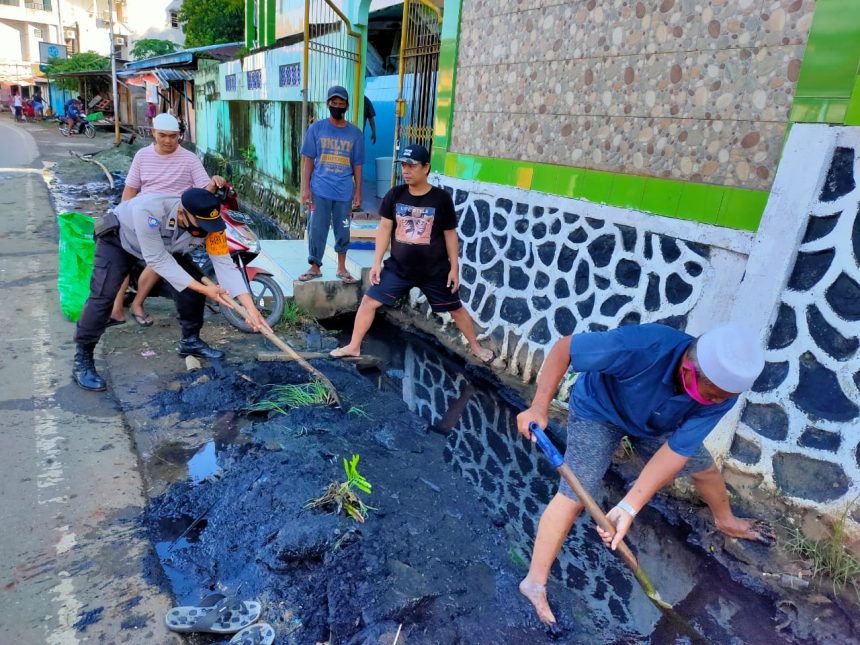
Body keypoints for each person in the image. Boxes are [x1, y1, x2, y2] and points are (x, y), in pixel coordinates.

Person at [514, 322, 774, 625]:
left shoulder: (723, 392)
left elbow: (677, 452)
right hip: (600, 411)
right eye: (713, 395)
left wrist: (628, 506)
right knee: (574, 496)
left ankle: (726, 521)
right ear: (689, 369)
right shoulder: (642, 346)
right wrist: (539, 407)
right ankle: (533, 582)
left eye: (724, 398)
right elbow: (565, 348)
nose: (718, 402)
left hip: (657, 425)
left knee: (705, 470)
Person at [72, 188, 271, 392]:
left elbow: (225, 265)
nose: (207, 230)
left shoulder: (213, 226)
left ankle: (190, 341)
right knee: (103, 296)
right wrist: (205, 288)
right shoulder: (150, 211)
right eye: (201, 224)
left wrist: (250, 309)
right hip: (120, 241)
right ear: (183, 213)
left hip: (168, 248)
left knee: (192, 290)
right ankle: (83, 361)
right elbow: (157, 260)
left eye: (210, 225)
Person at [330, 143, 493, 364]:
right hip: (399, 268)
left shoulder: (441, 199)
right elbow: (385, 229)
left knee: (455, 308)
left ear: (426, 168)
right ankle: (354, 346)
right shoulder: (395, 195)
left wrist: (454, 267)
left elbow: (450, 235)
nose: (405, 170)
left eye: (411, 166)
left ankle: (475, 346)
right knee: (369, 301)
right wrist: (376, 262)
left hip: (434, 271)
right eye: (403, 165)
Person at [109, 113, 226, 327]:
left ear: (179, 136)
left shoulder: (189, 159)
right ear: (153, 132)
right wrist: (122, 218)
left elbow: (204, 190)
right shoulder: (142, 156)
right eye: (162, 135)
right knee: (121, 255)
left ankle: (137, 304)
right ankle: (116, 309)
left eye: (173, 136)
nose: (168, 140)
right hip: (143, 214)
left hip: (174, 221)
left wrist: (215, 183)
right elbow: (130, 190)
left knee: (160, 258)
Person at [299, 85, 364, 284]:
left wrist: (358, 192)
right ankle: (315, 266)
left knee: (343, 229)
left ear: (346, 105)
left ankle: (342, 268)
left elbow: (358, 165)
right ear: (328, 104)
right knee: (316, 228)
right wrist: (305, 188)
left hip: (344, 191)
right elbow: (308, 160)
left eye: (341, 103)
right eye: (333, 103)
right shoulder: (316, 129)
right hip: (319, 190)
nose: (337, 106)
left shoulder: (355, 133)